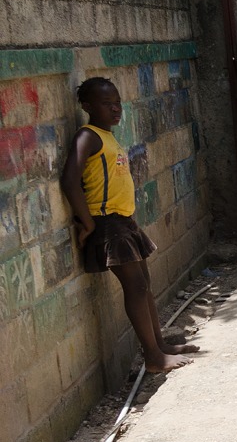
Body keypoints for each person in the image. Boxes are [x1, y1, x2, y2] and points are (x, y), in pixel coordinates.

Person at [61, 78, 200, 374]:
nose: (115, 108)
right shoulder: (88, 136)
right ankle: (153, 357)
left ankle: (160, 345)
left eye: (117, 102)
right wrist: (87, 222)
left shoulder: (107, 136)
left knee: (144, 285)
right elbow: (69, 180)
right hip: (106, 222)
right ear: (87, 107)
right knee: (135, 287)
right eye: (106, 103)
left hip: (124, 221)